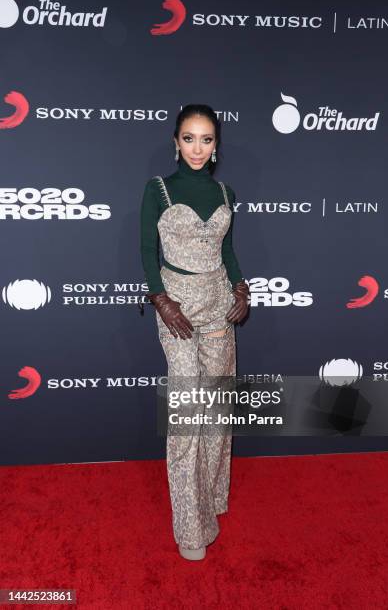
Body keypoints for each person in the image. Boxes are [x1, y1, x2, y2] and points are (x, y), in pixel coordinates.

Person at [139, 104, 249, 560]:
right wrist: (160, 299)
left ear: (216, 145)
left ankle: (213, 499)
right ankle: (189, 527)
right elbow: (148, 248)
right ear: (176, 142)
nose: (197, 148)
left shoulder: (225, 191)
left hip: (220, 305)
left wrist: (241, 287)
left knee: (218, 409)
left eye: (206, 139)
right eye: (189, 138)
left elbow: (229, 250)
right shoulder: (159, 190)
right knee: (187, 418)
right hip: (179, 311)